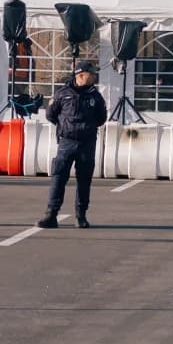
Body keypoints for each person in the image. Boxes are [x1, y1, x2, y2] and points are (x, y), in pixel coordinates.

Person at [37, 55, 108, 230]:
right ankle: (51, 214)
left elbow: (101, 118)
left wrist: (86, 128)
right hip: (66, 142)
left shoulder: (96, 96)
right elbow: (51, 115)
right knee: (58, 177)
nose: (94, 77)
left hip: (87, 143)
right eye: (91, 74)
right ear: (81, 75)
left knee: (84, 180)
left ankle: (81, 215)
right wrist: (66, 127)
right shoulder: (63, 94)